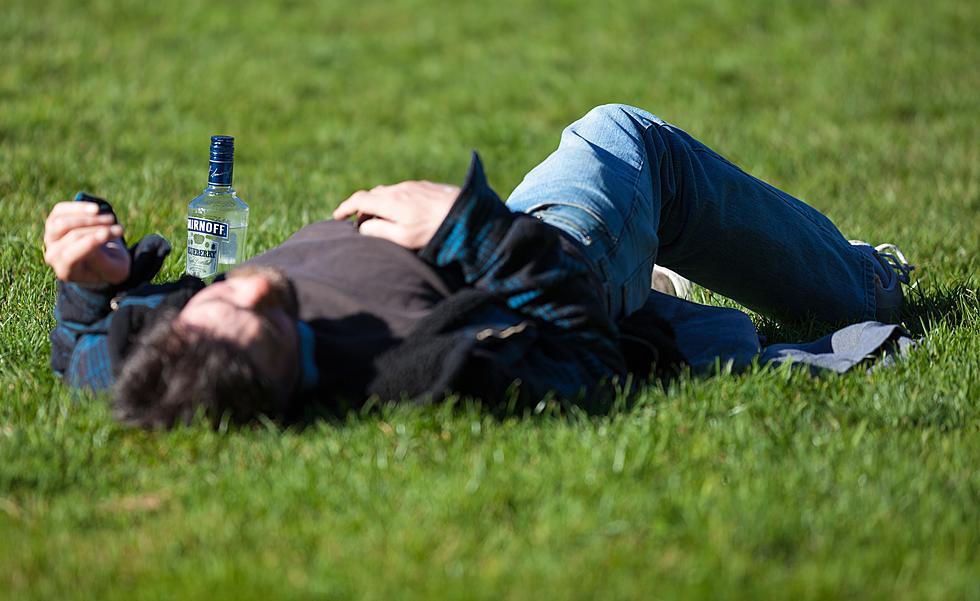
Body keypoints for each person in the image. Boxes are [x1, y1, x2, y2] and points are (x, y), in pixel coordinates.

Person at [44, 105, 913, 428]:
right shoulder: (423, 375)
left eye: (219, 300)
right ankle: (862, 280)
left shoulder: (162, 362)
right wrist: (466, 227)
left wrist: (87, 276)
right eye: (270, 322)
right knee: (622, 139)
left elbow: (86, 347)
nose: (256, 286)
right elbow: (582, 353)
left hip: (493, 246)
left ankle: (668, 295)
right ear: (280, 382)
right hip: (540, 256)